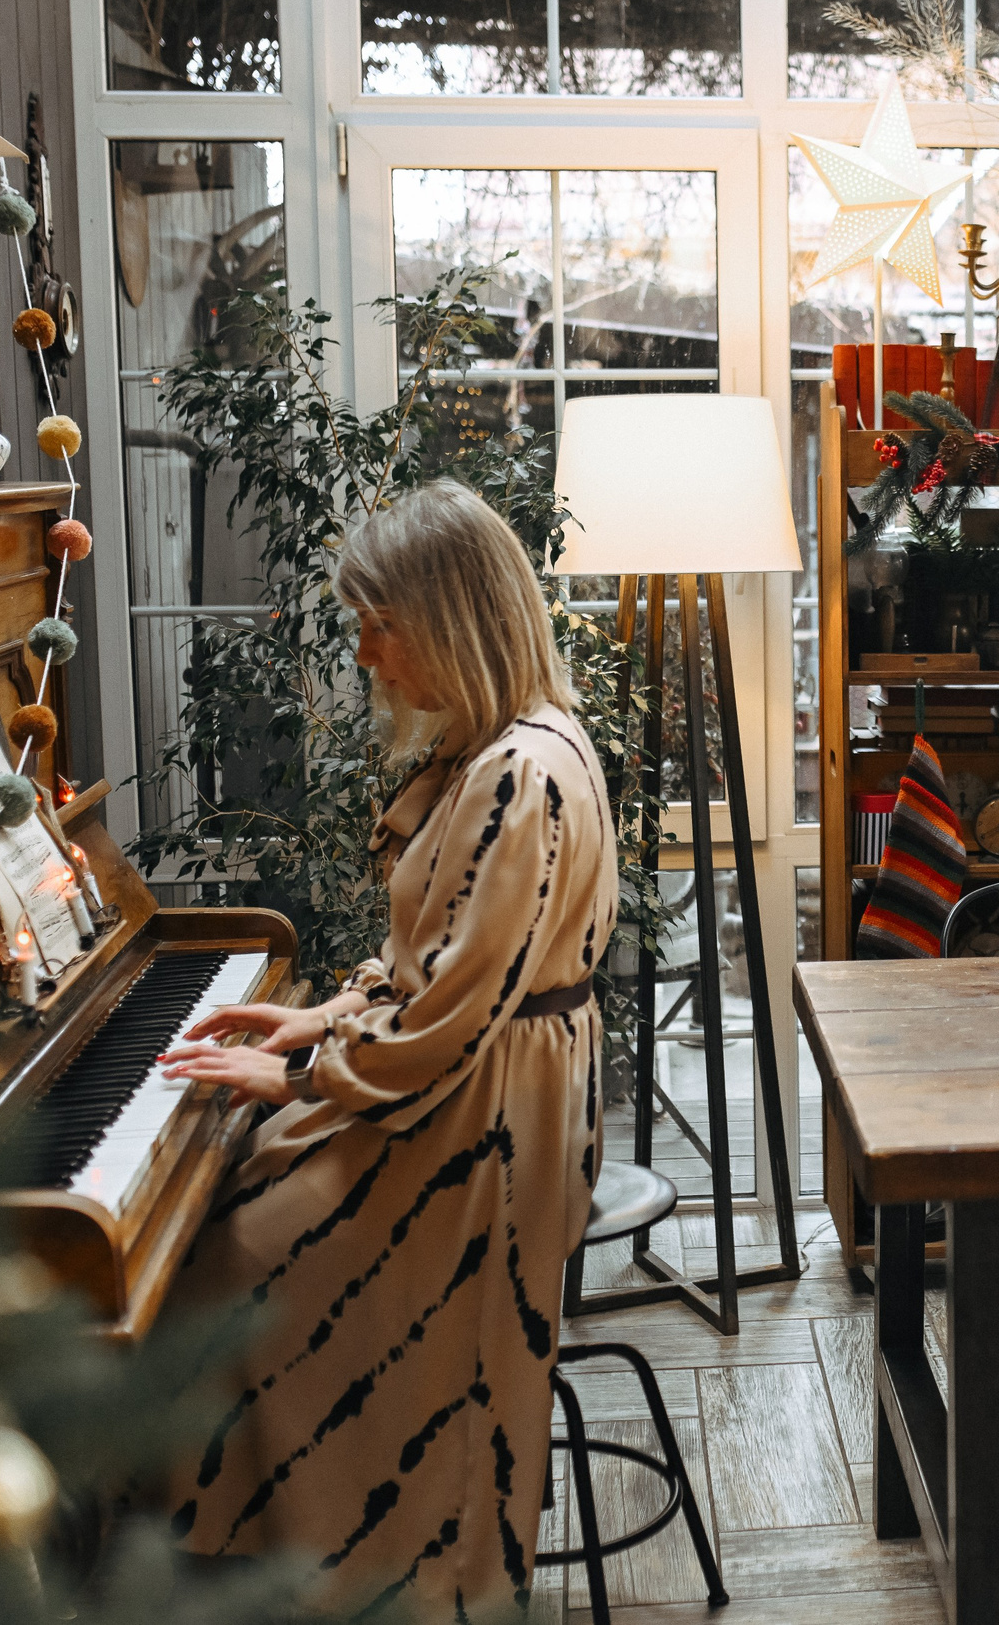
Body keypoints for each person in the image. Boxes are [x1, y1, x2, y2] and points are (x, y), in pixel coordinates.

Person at [157, 480, 617, 1619]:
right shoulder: (500, 750)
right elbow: (437, 959)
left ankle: (347, 1564)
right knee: (223, 1219)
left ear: (451, 622)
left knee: (225, 1259)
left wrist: (300, 1076)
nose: (363, 653)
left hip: (479, 1131)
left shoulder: (522, 772)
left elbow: (454, 1011)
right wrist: (315, 1020)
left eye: (380, 625)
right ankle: (276, 1547)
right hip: (467, 1088)